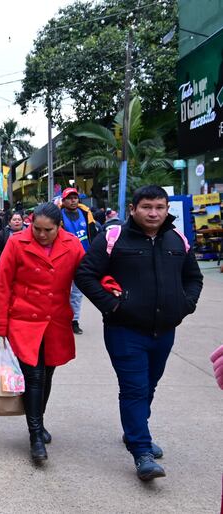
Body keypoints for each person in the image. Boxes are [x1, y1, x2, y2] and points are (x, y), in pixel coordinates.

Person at [75, 185, 203, 481]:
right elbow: (85, 274)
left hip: (164, 330)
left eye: (160, 207)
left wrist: (186, 305)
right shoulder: (113, 238)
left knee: (149, 385)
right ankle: (142, 451)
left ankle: (135, 431)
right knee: (134, 388)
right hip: (124, 330)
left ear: (167, 209)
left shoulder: (177, 239)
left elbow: (193, 277)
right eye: (147, 207)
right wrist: (113, 307)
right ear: (133, 209)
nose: (154, 213)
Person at [0, 202, 85, 463]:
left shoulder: (73, 245)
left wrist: (109, 285)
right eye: (37, 229)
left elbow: (89, 273)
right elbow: (3, 283)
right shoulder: (17, 242)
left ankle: (38, 423)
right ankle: (34, 436)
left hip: (55, 321)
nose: (41, 235)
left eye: (48, 230)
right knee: (34, 375)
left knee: (48, 373)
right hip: (24, 321)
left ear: (59, 227)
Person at [59, 188, 99, 335]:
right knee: (61, 291)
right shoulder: (58, 215)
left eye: (75, 197)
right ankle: (61, 319)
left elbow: (93, 235)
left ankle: (74, 321)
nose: (73, 200)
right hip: (63, 259)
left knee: (77, 293)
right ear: (63, 201)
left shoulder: (86, 214)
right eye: (69, 198)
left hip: (83, 260)